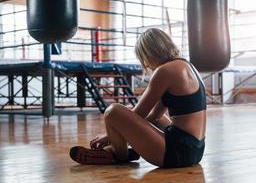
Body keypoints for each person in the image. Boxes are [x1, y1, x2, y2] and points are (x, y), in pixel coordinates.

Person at [70, 28, 206, 168]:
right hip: (196, 150)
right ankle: (121, 150)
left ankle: (119, 154)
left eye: (144, 58)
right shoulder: (188, 66)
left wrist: (109, 136)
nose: (146, 64)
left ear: (149, 53)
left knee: (113, 111)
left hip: (176, 152)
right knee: (153, 117)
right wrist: (118, 134)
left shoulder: (164, 71)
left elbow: (139, 114)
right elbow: (155, 115)